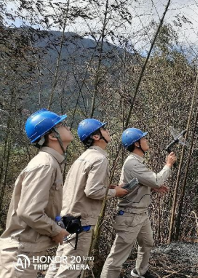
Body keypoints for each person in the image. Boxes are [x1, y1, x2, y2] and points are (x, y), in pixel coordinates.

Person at [45, 118, 128, 278]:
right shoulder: (99, 159)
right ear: (96, 137)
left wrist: (107, 188)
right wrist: (115, 193)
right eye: (104, 129)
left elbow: (81, 188)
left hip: (67, 219)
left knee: (58, 265)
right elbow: (92, 191)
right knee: (70, 269)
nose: (107, 131)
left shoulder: (83, 158)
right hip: (80, 223)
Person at [0, 109, 73, 278]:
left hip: (27, 250)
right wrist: (56, 231)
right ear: (52, 136)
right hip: (20, 254)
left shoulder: (50, 163)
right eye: (61, 124)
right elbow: (29, 212)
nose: (67, 127)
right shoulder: (45, 165)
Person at [100, 128, 176, 278]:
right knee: (117, 256)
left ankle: (139, 272)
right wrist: (168, 165)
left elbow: (140, 184)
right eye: (144, 139)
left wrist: (154, 188)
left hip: (140, 213)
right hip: (130, 215)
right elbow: (155, 179)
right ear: (136, 143)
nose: (146, 141)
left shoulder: (137, 162)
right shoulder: (132, 164)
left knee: (147, 243)